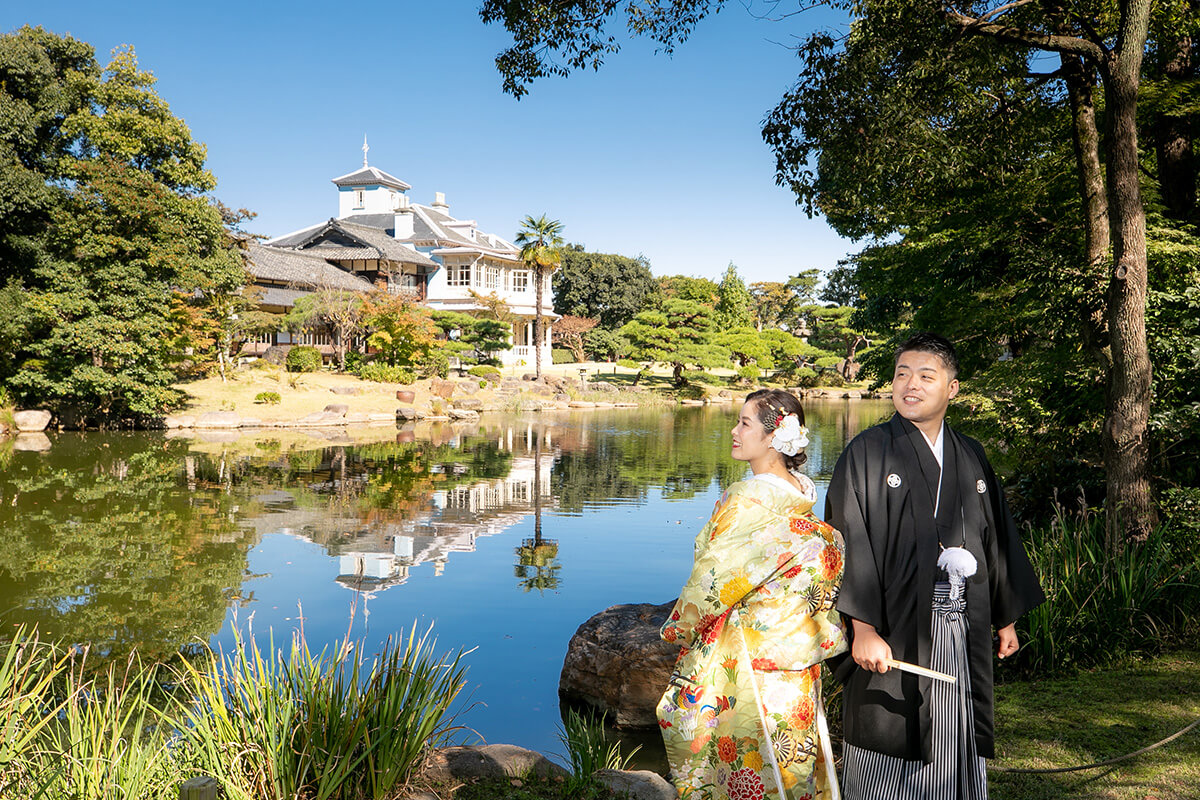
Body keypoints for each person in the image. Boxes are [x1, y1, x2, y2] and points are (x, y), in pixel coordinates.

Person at [825, 332, 1045, 800]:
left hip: (962, 625)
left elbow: (995, 537)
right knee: (892, 728)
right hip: (894, 626)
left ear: (953, 388)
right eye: (902, 373)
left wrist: (1004, 617)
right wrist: (861, 628)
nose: (911, 385)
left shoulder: (971, 454)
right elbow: (849, 540)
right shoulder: (866, 452)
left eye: (926, 375)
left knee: (955, 726)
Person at [657, 389, 848, 800]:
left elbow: (710, 582)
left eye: (744, 423)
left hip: (748, 660)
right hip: (797, 658)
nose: (734, 430)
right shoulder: (803, 501)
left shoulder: (746, 501)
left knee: (748, 762)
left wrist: (681, 629)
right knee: (790, 759)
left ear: (774, 436)